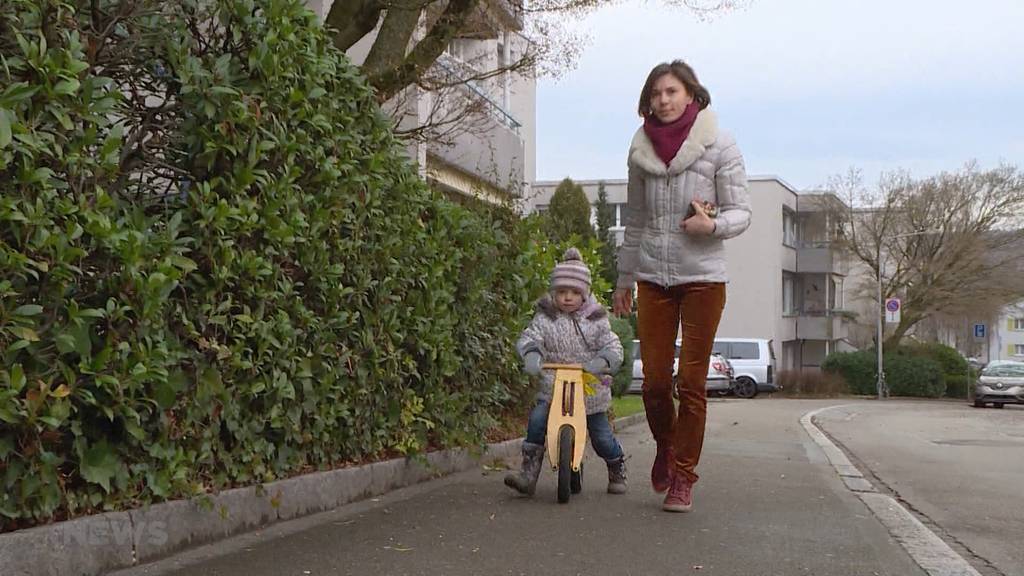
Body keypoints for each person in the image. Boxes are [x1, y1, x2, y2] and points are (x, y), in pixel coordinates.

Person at [612, 60, 751, 513]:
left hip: (703, 280)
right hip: (653, 277)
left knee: (691, 381)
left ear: (691, 95)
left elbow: (741, 213)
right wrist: (624, 279)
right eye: (655, 93)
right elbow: (634, 221)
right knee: (653, 383)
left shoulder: (720, 143)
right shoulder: (640, 152)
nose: (663, 100)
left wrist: (710, 225)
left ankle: (684, 476)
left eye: (671, 91)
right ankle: (665, 447)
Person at [504, 248, 627, 496]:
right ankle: (528, 474)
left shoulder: (595, 319)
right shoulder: (545, 317)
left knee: (601, 436)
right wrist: (532, 354)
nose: (567, 298)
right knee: (538, 421)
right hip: (553, 387)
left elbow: (611, 344)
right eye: (561, 292)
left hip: (589, 390)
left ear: (585, 294)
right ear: (553, 293)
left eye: (574, 292)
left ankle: (616, 465)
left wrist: (603, 360)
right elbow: (531, 336)